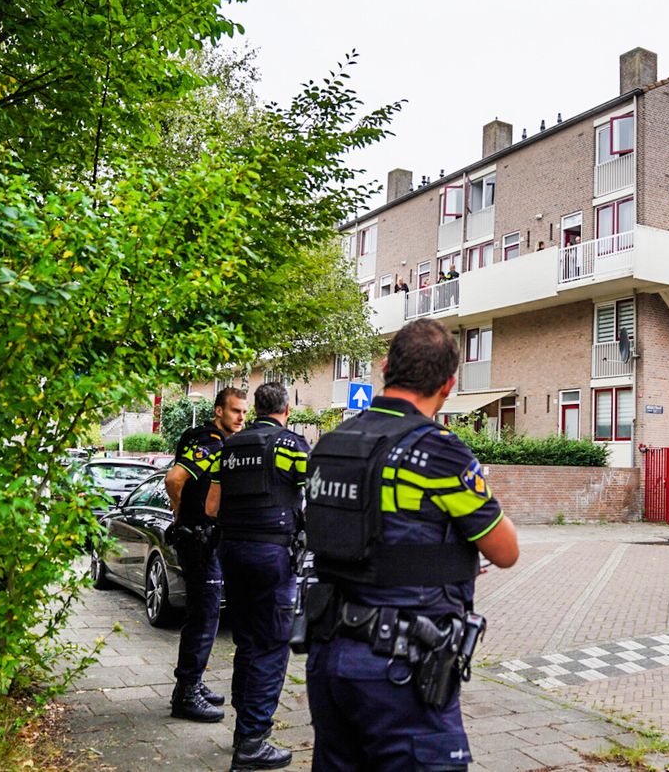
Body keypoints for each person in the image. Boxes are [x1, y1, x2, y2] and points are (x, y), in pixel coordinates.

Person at [304, 318, 520, 770]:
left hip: (329, 657)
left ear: (385, 367)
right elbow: (505, 551)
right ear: (448, 385)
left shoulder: (331, 445)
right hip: (401, 668)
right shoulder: (439, 452)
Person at [206, 382, 310, 771]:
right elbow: (314, 496)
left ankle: (242, 730)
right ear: (286, 408)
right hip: (272, 555)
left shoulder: (228, 447)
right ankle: (252, 742)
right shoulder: (291, 445)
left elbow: (213, 507)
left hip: (231, 551)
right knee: (271, 644)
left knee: (247, 640)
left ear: (256, 409)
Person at [164, 387, 248, 722]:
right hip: (198, 539)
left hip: (200, 537)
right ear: (218, 412)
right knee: (205, 615)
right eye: (234, 411)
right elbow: (174, 478)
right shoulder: (210, 443)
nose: (240, 417)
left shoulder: (206, 438)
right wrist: (181, 512)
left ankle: (192, 682)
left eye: (244, 412)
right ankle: (186, 693)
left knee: (202, 612)